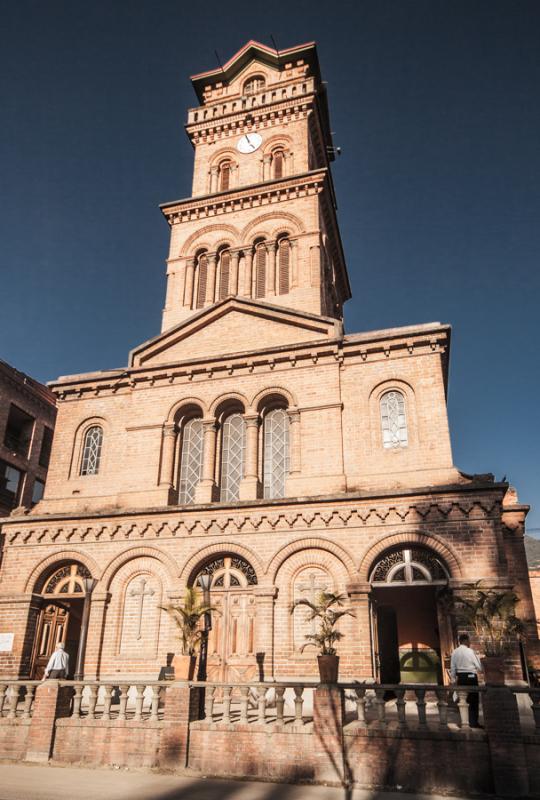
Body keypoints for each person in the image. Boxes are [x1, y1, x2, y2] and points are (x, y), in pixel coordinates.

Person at [450, 633, 483, 727]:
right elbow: (478, 666)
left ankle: (464, 721)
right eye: (469, 640)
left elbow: (453, 667)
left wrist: (453, 679)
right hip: (471, 676)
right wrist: (480, 667)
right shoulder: (470, 651)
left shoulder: (455, 652)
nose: (470, 642)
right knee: (473, 700)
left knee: (463, 700)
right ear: (465, 641)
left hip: (461, 677)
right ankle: (473, 722)